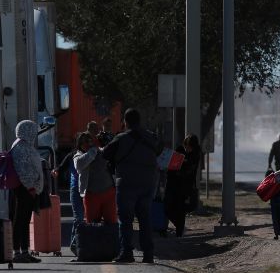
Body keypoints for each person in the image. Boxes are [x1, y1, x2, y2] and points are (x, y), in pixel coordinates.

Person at [103, 108, 163, 264]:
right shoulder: (151, 137)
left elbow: (106, 154)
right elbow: (159, 150)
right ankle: (148, 254)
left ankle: (126, 252)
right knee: (145, 219)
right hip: (148, 183)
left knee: (125, 219)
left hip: (127, 183)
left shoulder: (121, 138)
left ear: (125, 121)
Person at [10, 120, 45, 263]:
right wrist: (31, 187)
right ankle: (17, 252)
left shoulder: (24, 145)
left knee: (24, 221)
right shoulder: (20, 147)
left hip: (28, 189)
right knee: (20, 220)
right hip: (25, 189)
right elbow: (23, 170)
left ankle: (24, 251)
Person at [74, 132, 117, 224]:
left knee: (111, 224)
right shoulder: (78, 156)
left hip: (109, 193)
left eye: (88, 140)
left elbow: (112, 156)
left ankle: (111, 238)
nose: (86, 144)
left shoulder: (100, 151)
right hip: (91, 195)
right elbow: (79, 165)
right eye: (83, 142)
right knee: (92, 225)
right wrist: (93, 149)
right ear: (79, 145)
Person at [164, 134, 201, 238]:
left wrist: (182, 164)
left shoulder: (195, 155)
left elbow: (189, 170)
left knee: (180, 210)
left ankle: (179, 231)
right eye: (186, 146)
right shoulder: (181, 150)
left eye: (188, 146)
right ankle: (179, 227)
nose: (186, 148)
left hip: (184, 187)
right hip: (174, 185)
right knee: (168, 208)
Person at [55, 144, 82, 254]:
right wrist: (56, 171)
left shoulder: (92, 154)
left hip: (88, 190)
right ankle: (74, 243)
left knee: (84, 218)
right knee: (78, 217)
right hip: (76, 189)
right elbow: (61, 167)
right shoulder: (72, 155)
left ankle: (80, 242)